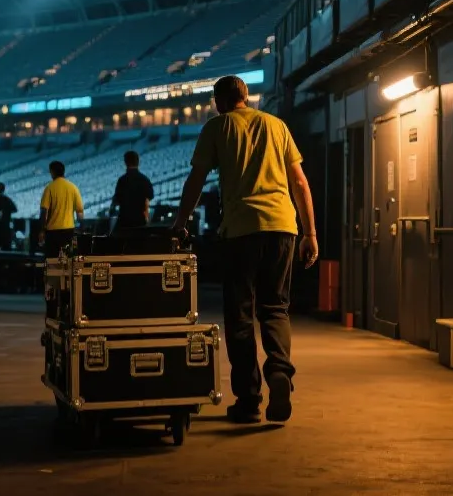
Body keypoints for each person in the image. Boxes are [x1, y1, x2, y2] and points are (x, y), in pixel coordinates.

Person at [172, 75, 318, 425]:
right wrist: (310, 233)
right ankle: (280, 372)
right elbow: (299, 181)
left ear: (220, 101)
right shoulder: (277, 125)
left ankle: (249, 400)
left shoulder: (217, 127)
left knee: (240, 316)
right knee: (275, 309)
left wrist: (180, 222)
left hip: (241, 231)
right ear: (247, 96)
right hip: (283, 227)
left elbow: (196, 179)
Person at [38, 160, 84, 258]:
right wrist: (81, 228)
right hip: (69, 231)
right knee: (67, 258)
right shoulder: (73, 187)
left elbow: (44, 211)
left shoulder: (49, 188)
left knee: (52, 260)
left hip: (52, 232)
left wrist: (42, 230)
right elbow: (79, 211)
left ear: (52, 172)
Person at [111, 150, 154, 230]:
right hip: (140, 222)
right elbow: (148, 199)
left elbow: (116, 200)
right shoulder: (145, 180)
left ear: (125, 162)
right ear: (138, 162)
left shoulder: (122, 180)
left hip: (124, 222)